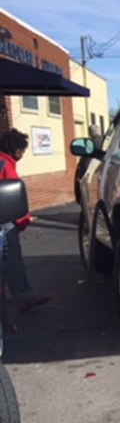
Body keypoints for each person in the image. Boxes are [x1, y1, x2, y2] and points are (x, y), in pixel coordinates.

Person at [0, 129, 50, 312]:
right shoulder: (6, 165)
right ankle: (24, 297)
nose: (23, 154)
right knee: (11, 259)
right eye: (22, 150)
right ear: (16, 149)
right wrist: (23, 220)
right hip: (5, 220)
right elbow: (14, 197)